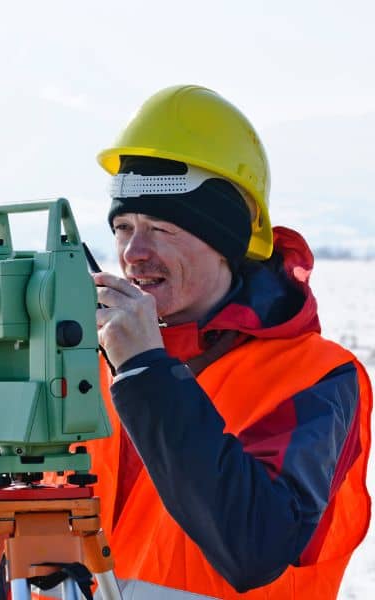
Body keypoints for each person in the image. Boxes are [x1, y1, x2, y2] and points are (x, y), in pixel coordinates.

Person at [86, 84, 372, 599]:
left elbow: (254, 545)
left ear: (225, 241)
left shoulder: (317, 377)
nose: (134, 253)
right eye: (124, 226)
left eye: (161, 228)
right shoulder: (93, 364)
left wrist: (147, 372)